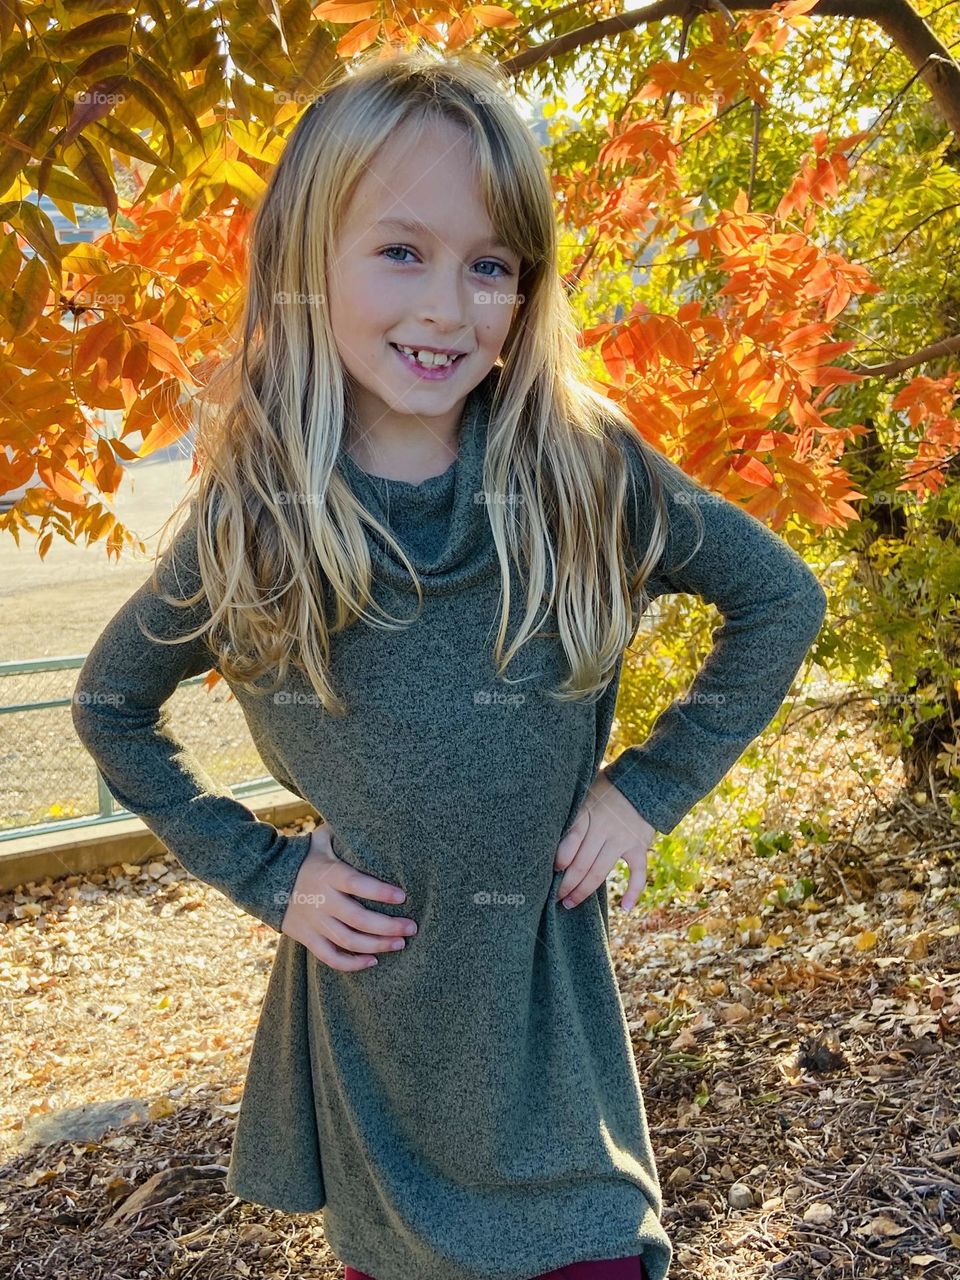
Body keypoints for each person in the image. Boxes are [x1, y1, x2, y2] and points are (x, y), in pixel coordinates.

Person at [71, 45, 827, 1280]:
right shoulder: (257, 516)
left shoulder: (582, 469)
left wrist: (647, 789)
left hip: (547, 1025)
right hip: (379, 1031)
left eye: (490, 265)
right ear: (309, 259)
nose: (445, 305)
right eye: (400, 250)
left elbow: (779, 599)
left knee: (598, 1253)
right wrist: (269, 872)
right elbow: (110, 707)